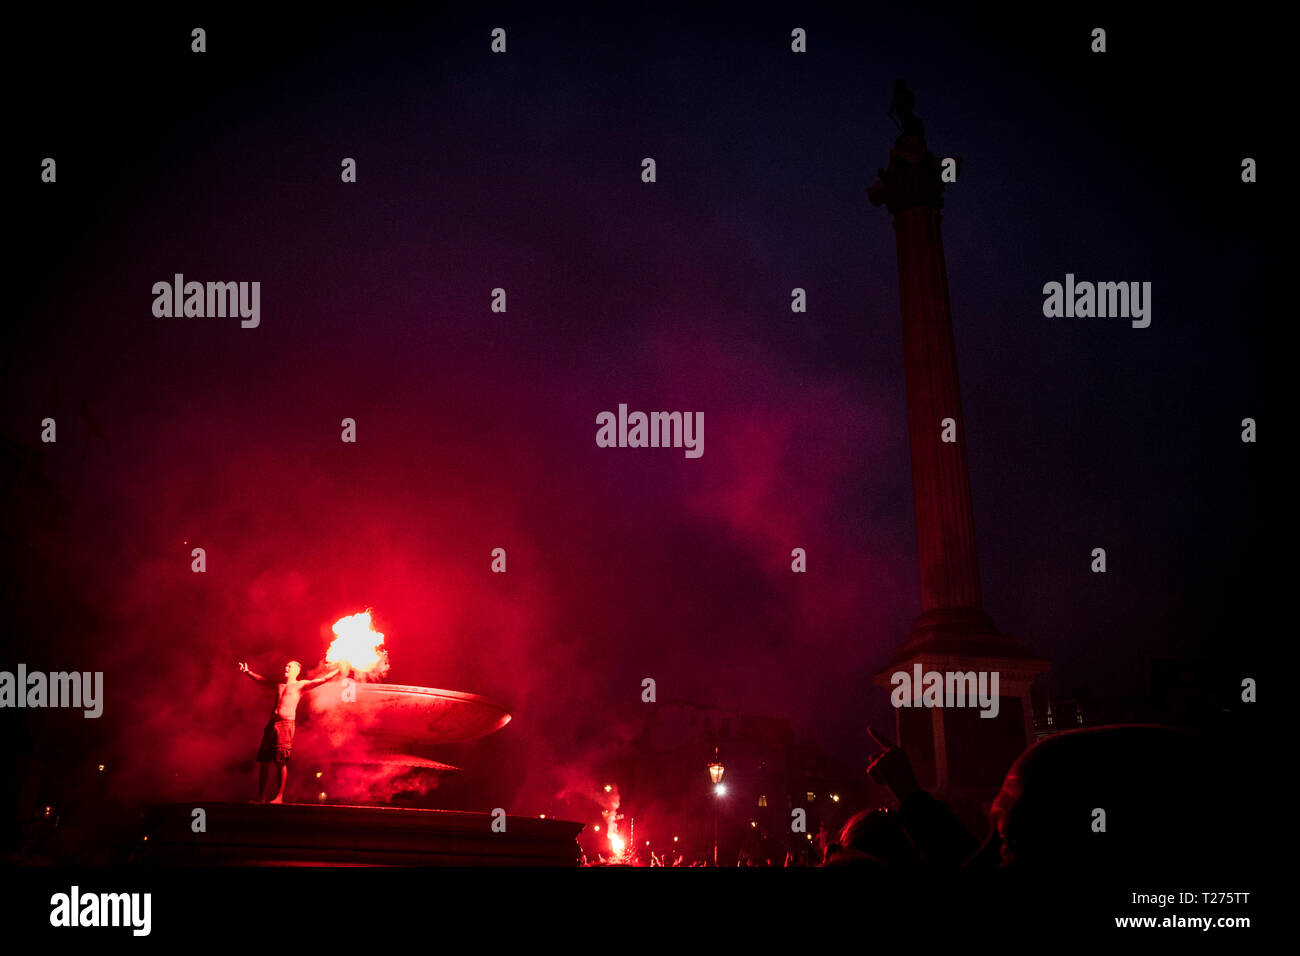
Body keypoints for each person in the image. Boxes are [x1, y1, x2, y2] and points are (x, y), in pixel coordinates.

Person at [239, 660, 343, 803]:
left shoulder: (301, 685)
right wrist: (247, 672)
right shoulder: (279, 685)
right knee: (264, 761)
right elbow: (263, 680)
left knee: (281, 761)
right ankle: (261, 797)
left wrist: (339, 669)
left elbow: (324, 679)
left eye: (290, 666)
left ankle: (279, 797)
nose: (286, 667)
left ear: (297, 671)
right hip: (271, 725)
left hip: (285, 725)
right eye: (286, 665)